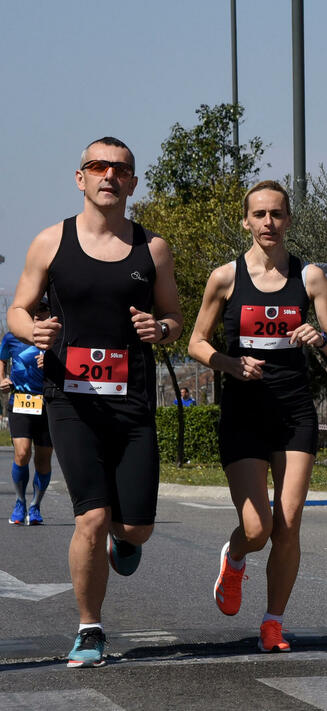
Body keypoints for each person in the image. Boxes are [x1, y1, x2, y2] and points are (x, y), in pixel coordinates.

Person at [6, 136, 183, 668]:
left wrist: (162, 328)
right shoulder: (49, 242)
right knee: (91, 516)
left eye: (120, 168)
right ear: (80, 178)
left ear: (132, 182)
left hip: (132, 403)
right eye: (97, 166)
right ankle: (89, 628)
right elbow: (18, 308)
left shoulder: (152, 249)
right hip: (70, 401)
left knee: (134, 528)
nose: (109, 174)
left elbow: (174, 318)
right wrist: (33, 329)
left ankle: (123, 543)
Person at [188, 179, 327, 653]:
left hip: (294, 411)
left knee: (289, 521)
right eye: (259, 215)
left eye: (277, 214)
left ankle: (273, 622)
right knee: (257, 528)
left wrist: (320, 339)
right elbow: (197, 342)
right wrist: (229, 364)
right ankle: (235, 556)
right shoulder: (224, 277)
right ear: (246, 221)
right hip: (243, 411)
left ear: (288, 221)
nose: (268, 223)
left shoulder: (311, 277)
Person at [1, 298, 54, 525]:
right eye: (34, 312)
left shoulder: (58, 339)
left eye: (42, 312)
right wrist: (2, 378)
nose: (37, 316)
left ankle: (35, 507)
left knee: (43, 460)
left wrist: (53, 361)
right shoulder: (12, 337)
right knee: (22, 454)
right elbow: (2, 359)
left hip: (49, 402)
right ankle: (20, 502)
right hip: (21, 400)